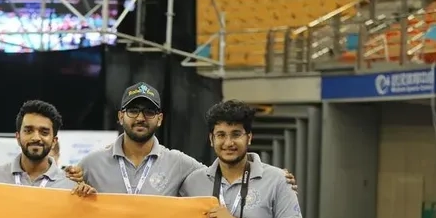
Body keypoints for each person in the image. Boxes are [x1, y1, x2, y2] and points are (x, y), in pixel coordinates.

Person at [65, 81, 298, 195]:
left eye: (149, 112)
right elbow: (64, 196)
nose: (141, 118)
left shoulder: (179, 163)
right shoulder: (92, 163)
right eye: (133, 111)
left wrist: (271, 177)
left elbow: (224, 177)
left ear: (160, 119)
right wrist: (70, 180)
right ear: (120, 116)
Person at [0, 100, 94, 195]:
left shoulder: (71, 187)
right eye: (28, 131)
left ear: (54, 141)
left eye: (44, 132)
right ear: (18, 137)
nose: (36, 137)